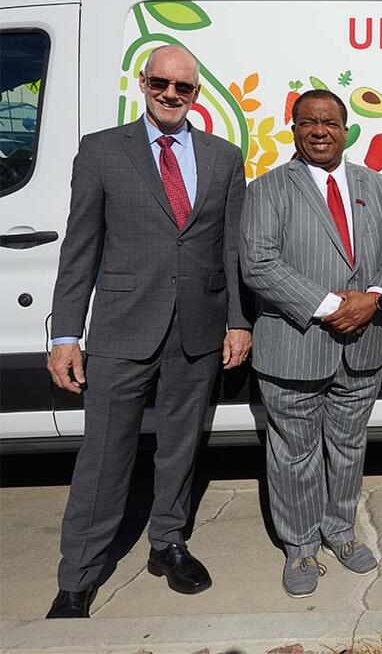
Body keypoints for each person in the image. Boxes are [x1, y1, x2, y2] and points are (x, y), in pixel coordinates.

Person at [44, 45, 251, 618]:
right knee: (104, 457)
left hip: (197, 331)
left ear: (196, 94)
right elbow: (80, 248)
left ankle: (167, 542)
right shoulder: (102, 151)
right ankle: (78, 575)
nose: (170, 94)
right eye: (161, 82)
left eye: (182, 87)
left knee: (181, 449)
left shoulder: (223, 157)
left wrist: (238, 320)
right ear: (143, 82)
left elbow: (231, 249)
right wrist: (65, 335)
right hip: (123, 328)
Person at [240, 89, 382, 598]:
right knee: (294, 454)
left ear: (346, 129)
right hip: (296, 346)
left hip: (363, 347)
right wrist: (331, 305)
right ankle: (299, 547)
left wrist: (375, 299)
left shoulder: (376, 186)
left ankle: (340, 530)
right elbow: (259, 263)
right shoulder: (268, 189)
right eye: (309, 122)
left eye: (330, 122)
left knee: (349, 447)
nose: (320, 131)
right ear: (294, 128)